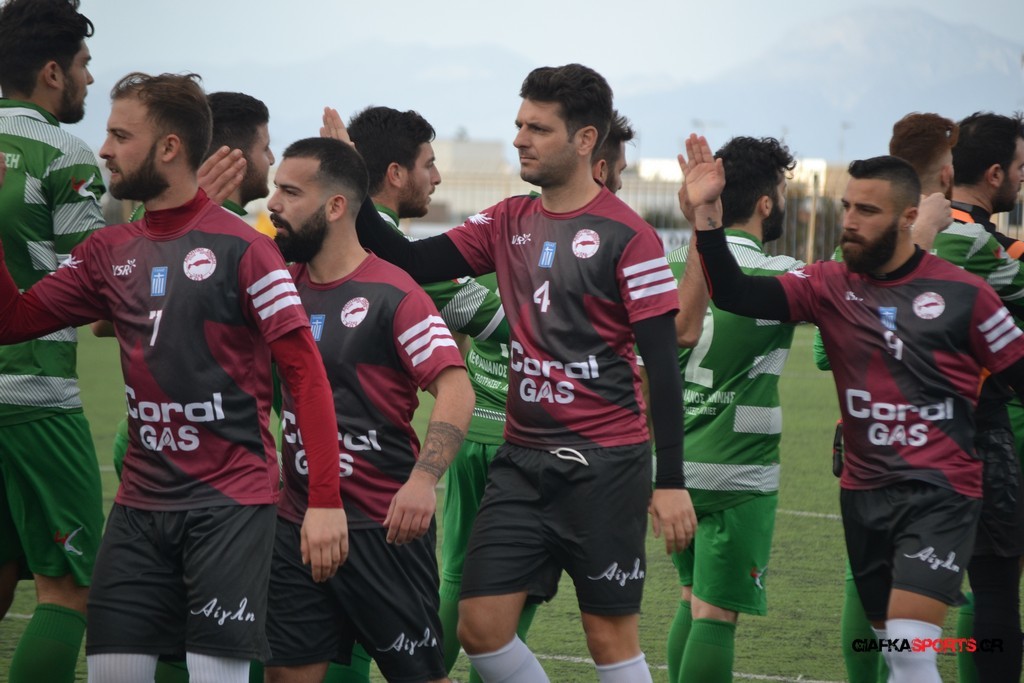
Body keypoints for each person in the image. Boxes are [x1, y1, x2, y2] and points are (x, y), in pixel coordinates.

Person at [353, 63, 694, 683]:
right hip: (521, 461)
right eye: (519, 124)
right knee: (480, 628)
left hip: (604, 467)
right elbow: (406, 257)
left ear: (584, 140)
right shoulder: (507, 219)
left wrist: (669, 480)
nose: (519, 139)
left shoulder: (630, 236)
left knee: (608, 638)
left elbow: (664, 365)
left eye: (537, 128)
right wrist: (350, 182)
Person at [0, 72, 346, 683]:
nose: (104, 149)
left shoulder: (246, 249)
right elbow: (13, 322)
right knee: (113, 672)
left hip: (229, 505)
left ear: (168, 148)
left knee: (214, 674)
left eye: (120, 136)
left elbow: (306, 377)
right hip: (138, 508)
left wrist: (324, 501)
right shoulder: (108, 250)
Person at [686, 134, 1024, 682]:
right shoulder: (827, 284)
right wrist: (706, 215)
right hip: (864, 493)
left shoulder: (965, 294)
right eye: (847, 207)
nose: (849, 221)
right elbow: (735, 294)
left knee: (910, 647)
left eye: (867, 211)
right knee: (893, 646)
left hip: (940, 492)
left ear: (909, 218)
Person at [431, 108, 640, 682]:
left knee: (462, 581)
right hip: (523, 446)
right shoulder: (537, 228)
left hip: (507, 439)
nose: (622, 186)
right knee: (494, 603)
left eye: (536, 128)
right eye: (620, 173)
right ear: (598, 164)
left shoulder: (527, 226)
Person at [262, 135, 473, 683]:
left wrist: (423, 480)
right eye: (275, 189)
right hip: (299, 520)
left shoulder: (394, 293)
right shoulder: (280, 287)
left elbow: (456, 389)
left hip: (383, 528)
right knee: (286, 675)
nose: (273, 204)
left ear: (336, 207)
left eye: (290, 192)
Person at [665, 136, 801, 683]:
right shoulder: (784, 273)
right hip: (738, 469)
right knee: (716, 614)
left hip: (671, 469)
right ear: (766, 202)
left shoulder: (670, 264)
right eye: (782, 192)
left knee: (691, 596)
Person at [0, 1, 105, 681]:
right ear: (51, 72)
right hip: (36, 394)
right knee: (68, 590)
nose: (90, 79)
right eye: (84, 65)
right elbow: (98, 290)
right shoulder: (64, 151)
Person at [945, 111, 1024, 683]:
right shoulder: (979, 243)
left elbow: (828, 352)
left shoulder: (898, 234)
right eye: (1020, 167)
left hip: (887, 429)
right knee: (996, 583)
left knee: (897, 586)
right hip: (982, 427)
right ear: (994, 173)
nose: (1022, 178)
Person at [346, 105, 506, 342]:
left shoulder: (320, 239)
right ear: (396, 174)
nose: (437, 178)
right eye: (429, 165)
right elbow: (516, 328)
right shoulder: (416, 264)